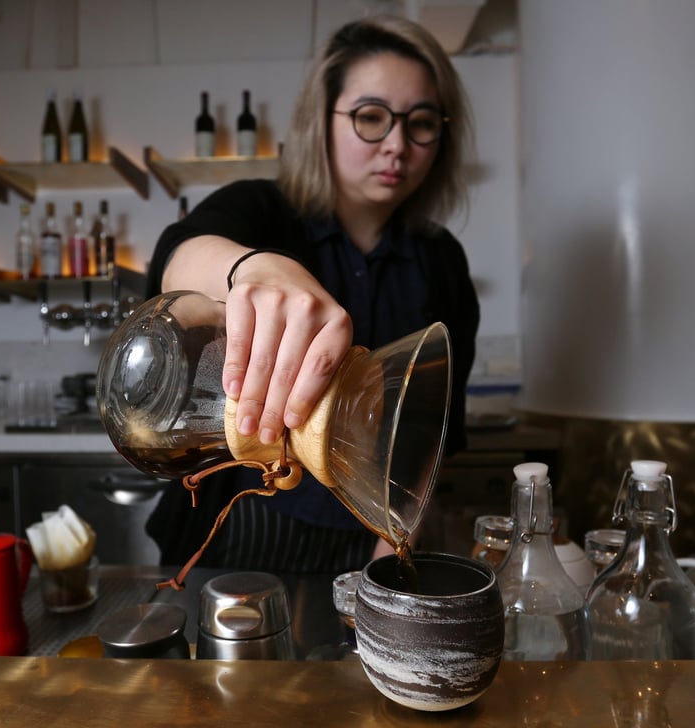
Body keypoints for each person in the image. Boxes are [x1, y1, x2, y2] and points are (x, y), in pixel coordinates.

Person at [144, 15, 479, 573]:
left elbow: (430, 431)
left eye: (422, 123)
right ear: (320, 123)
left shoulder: (440, 257)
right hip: (241, 518)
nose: (397, 144)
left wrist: (397, 535)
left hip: (367, 528)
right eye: (371, 117)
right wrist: (252, 268)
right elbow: (173, 258)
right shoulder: (260, 211)